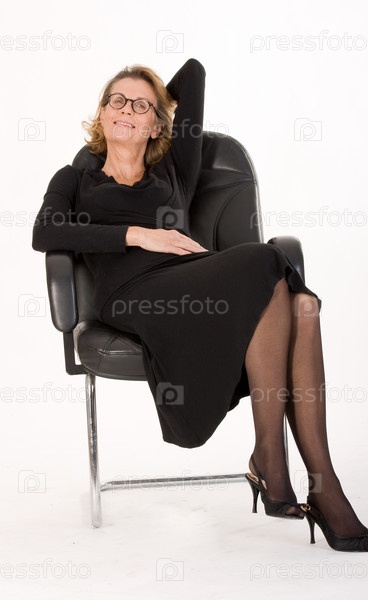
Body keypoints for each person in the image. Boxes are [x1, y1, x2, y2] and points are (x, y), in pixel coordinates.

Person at [32, 58, 368, 551]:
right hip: (130, 294)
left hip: (192, 282)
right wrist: (140, 235)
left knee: (303, 308)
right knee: (266, 261)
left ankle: (321, 482)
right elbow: (45, 232)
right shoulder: (74, 178)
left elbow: (193, 74)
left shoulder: (173, 169)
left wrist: (153, 105)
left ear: (158, 125)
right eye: (116, 101)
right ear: (101, 113)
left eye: (140, 106)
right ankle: (272, 461)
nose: (126, 109)